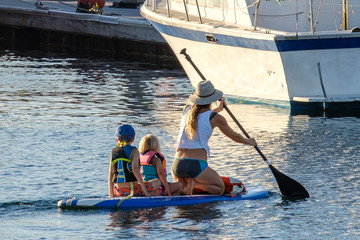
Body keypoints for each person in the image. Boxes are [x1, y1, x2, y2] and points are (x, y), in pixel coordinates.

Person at [172, 80, 257, 195]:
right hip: (196, 166)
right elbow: (235, 137)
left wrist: (217, 109)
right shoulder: (216, 118)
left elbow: (199, 116)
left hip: (177, 165)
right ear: (212, 99)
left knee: (184, 188)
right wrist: (249, 141)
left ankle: (185, 185)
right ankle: (193, 183)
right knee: (219, 188)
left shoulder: (186, 109)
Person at [108, 124, 161, 198]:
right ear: (133, 139)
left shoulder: (113, 152)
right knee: (157, 182)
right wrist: (145, 191)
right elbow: (135, 169)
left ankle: (146, 193)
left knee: (154, 192)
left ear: (116, 139)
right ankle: (144, 193)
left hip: (118, 191)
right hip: (132, 190)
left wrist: (111, 194)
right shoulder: (134, 151)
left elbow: (110, 174)